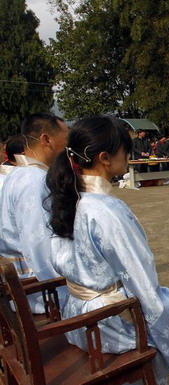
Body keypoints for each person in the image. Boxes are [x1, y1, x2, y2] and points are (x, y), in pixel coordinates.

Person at [45, 116, 169, 385]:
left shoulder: (68, 199)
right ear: (105, 157)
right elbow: (142, 283)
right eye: (126, 151)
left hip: (77, 315)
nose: (129, 157)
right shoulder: (107, 210)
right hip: (105, 324)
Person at [0, 113, 69, 313]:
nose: (68, 147)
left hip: (25, 281)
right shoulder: (33, 180)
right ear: (46, 139)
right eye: (65, 140)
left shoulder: (19, 173)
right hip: (38, 291)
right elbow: (38, 244)